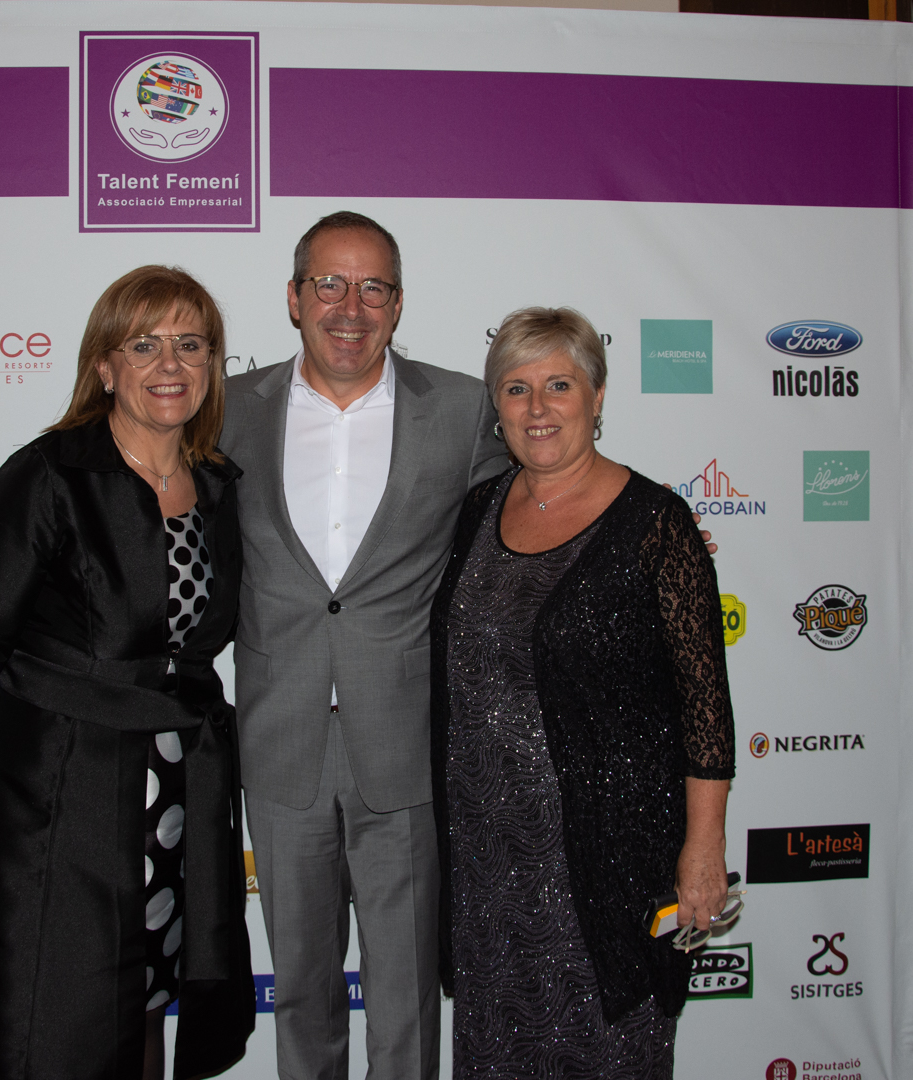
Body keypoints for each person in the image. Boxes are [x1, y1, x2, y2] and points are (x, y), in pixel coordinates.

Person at [0, 265, 254, 1080]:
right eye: (144, 345)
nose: (170, 364)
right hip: (58, 799)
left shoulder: (216, 484)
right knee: (57, 1024)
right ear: (104, 367)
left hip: (173, 791)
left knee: (145, 1007)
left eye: (191, 344)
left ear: (213, 364)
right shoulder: (46, 478)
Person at [219, 212, 506, 1080]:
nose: (350, 308)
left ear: (398, 302)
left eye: (372, 287)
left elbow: (519, 540)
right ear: (294, 297)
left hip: (404, 740)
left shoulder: (461, 408)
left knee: (406, 992)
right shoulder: (225, 408)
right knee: (300, 989)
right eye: (330, 285)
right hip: (281, 742)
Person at [428, 307, 736, 1079]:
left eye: (558, 385)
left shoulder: (654, 524)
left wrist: (702, 849)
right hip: (487, 860)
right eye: (515, 388)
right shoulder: (477, 509)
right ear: (495, 407)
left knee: (607, 1047)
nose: (537, 408)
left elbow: (705, 710)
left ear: (596, 397)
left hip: (606, 860)